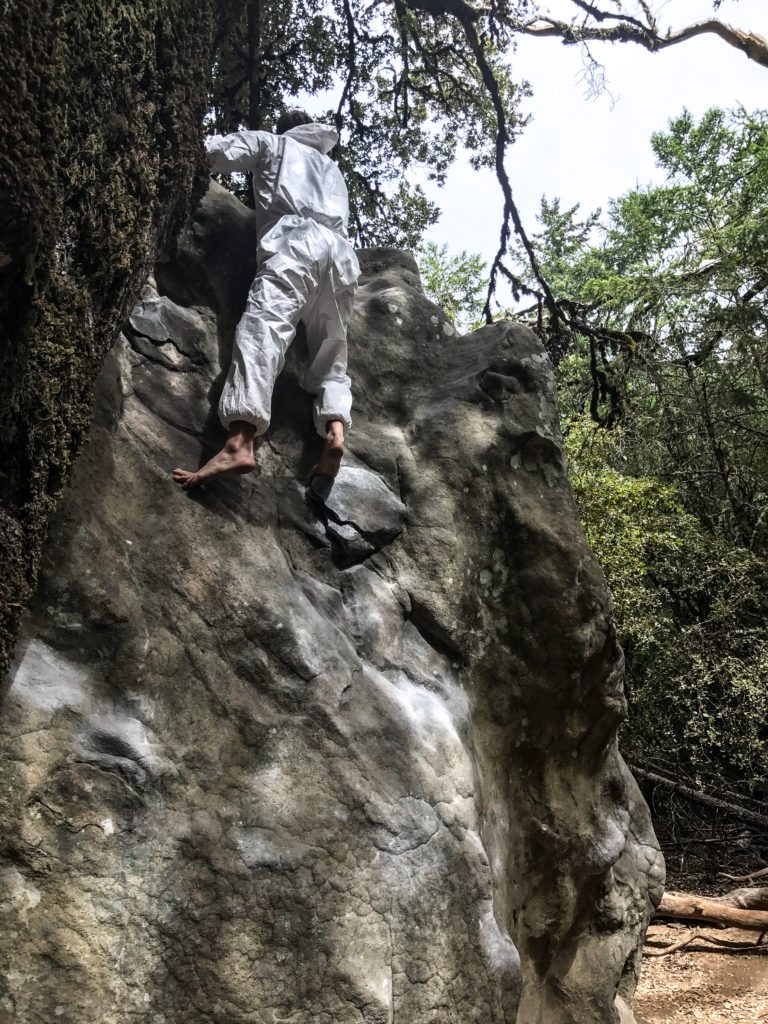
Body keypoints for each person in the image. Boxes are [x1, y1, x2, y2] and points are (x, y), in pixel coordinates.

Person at [173, 109, 359, 490]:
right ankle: (335, 434)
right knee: (331, 355)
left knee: (264, 330)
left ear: (284, 129)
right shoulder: (332, 171)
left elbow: (216, 152)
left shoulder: (272, 143)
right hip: (342, 257)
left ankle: (240, 442)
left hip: (295, 243)